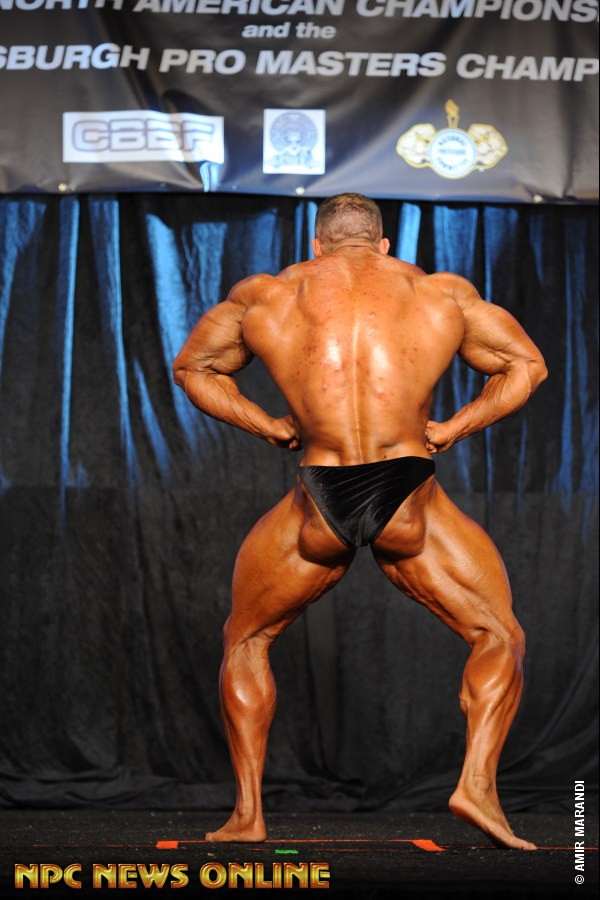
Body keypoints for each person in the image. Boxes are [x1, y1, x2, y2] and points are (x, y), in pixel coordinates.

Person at [172, 193, 547, 851]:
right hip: (408, 490)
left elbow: (193, 368)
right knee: (498, 635)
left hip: (319, 492)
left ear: (317, 244)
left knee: (246, 640)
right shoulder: (440, 293)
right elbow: (527, 365)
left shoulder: (266, 295)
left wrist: (268, 426)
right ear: (383, 245)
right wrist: (455, 428)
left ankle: (248, 816)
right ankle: (477, 787)